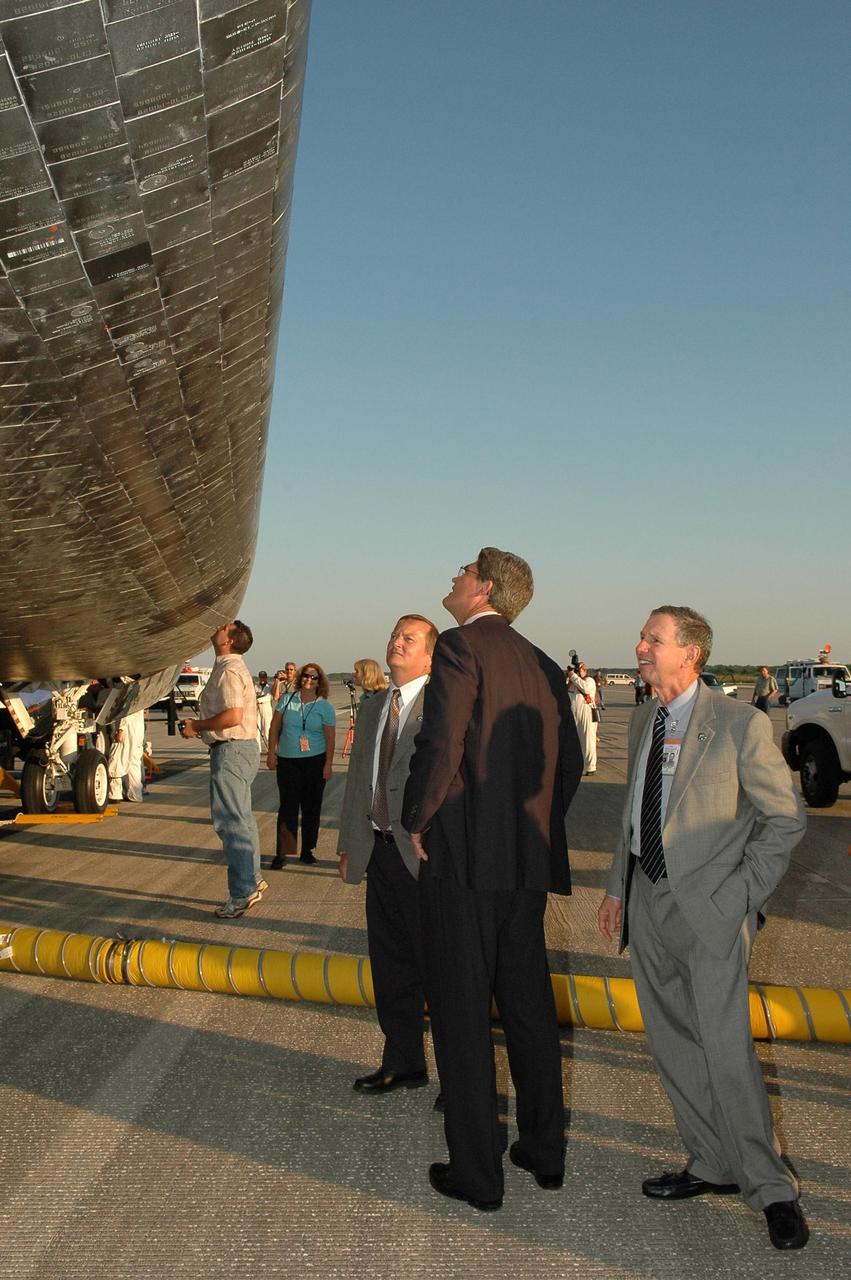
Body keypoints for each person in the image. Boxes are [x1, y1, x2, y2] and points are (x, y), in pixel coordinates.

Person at [597, 606, 808, 1251]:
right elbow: (635, 809)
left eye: (652, 639)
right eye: (642, 637)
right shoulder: (643, 718)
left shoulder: (740, 723)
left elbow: (785, 822)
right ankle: (710, 1161)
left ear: (689, 652)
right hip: (648, 901)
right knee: (672, 1042)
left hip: (712, 911)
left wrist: (738, 899)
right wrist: (616, 886)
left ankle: (770, 1188)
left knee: (725, 1048)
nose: (638, 646)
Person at [402, 548, 583, 1212]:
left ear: (481, 587)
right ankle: (543, 1150)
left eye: (460, 571)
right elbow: (565, 765)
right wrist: (530, 830)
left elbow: (442, 742)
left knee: (460, 1013)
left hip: (463, 863)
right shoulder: (539, 661)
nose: (450, 577)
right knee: (529, 1011)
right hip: (524, 862)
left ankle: (476, 1174)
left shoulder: (458, 646)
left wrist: (417, 817)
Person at [338, 615, 439, 1095]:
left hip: (423, 856)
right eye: (395, 635)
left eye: (409, 638)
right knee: (390, 965)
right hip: (379, 852)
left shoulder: (443, 706)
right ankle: (403, 1061)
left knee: (440, 970)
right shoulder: (377, 705)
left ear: (430, 654)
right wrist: (348, 845)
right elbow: (358, 782)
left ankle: (459, 1079)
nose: (396, 643)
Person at [180, 620, 265, 919]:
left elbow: (233, 715)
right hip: (240, 749)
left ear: (228, 640)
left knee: (230, 823)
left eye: (224, 627)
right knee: (242, 820)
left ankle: (242, 892)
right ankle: (252, 878)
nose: (218, 626)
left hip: (231, 750)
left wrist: (197, 727)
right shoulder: (231, 666)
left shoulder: (229, 670)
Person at [267, 662, 336, 867]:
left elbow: (330, 738)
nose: (309, 680)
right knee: (288, 806)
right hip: (288, 762)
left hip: (315, 761)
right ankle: (283, 853)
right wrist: (272, 753)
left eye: (314, 677)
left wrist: (328, 764)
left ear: (319, 682)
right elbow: (274, 727)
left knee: (311, 807)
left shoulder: (324, 706)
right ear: (300, 677)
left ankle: (307, 850)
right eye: (306, 676)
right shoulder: (287, 701)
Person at [566, 661, 598, 774]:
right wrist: (570, 677)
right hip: (575, 714)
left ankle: (590, 767)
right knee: (577, 741)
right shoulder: (574, 682)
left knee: (588, 740)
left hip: (587, 713)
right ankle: (579, 764)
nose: (578, 672)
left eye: (580, 670)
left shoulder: (589, 681)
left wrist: (573, 676)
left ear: (585, 670)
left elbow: (586, 689)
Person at [255, 670, 274, 753]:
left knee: (267, 729)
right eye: (261, 677)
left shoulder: (270, 687)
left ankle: (270, 749)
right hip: (257, 708)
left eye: (263, 677)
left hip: (266, 708)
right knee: (256, 730)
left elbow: (269, 697)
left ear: (266, 677)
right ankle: (257, 749)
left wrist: (258, 700)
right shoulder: (256, 686)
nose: (262, 678)